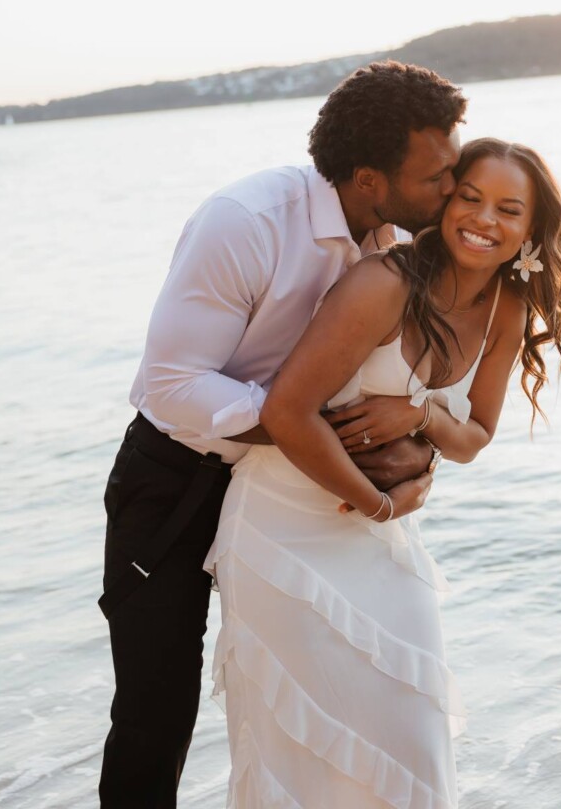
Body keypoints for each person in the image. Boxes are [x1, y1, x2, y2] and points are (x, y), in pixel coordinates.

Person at [98, 61, 467, 808]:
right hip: (172, 479)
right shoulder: (247, 221)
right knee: (156, 708)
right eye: (436, 176)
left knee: (316, 692)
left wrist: (415, 446)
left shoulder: (400, 246)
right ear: (368, 178)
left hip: (285, 497)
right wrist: (313, 427)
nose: (451, 190)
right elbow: (173, 385)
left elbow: (405, 382)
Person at [206, 137, 561, 808]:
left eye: (507, 209)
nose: (482, 219)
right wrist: (376, 506)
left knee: (410, 736)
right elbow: (288, 412)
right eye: (469, 197)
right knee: (301, 753)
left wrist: (420, 416)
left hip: (382, 542)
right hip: (282, 528)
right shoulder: (383, 283)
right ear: (443, 200)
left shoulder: (507, 309)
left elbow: (474, 436)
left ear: (531, 229)